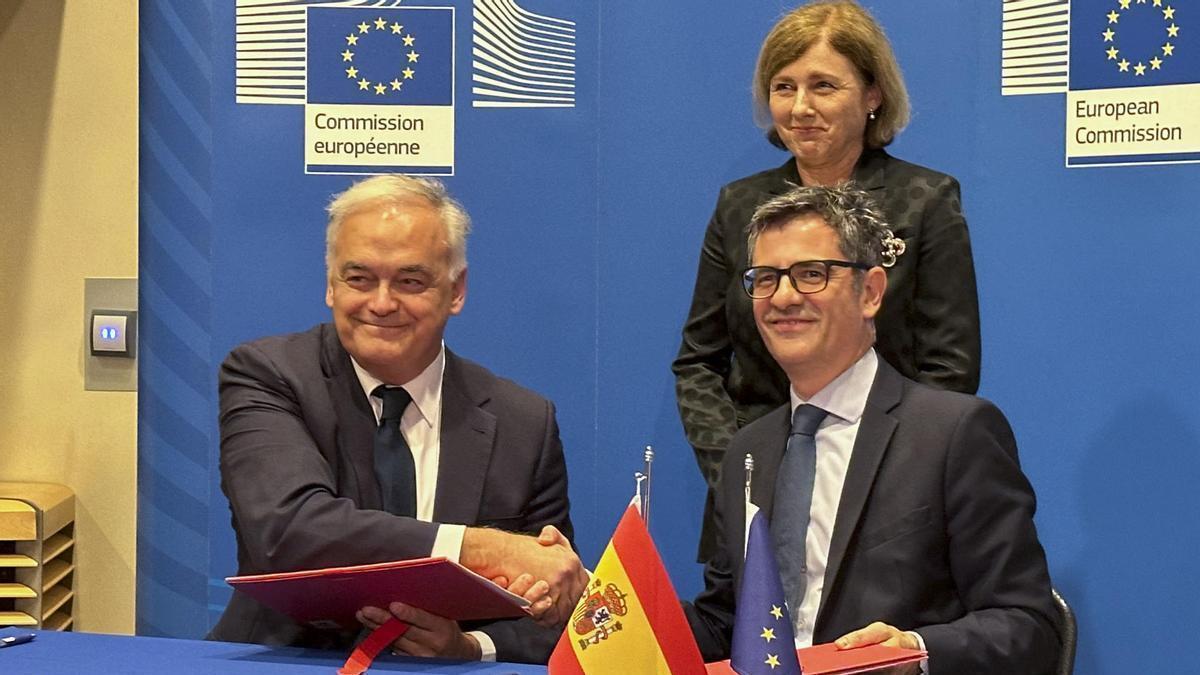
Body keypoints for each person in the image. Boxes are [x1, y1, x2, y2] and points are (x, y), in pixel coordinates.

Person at [209, 175, 587, 664]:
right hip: (288, 659)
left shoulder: (524, 421)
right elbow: (288, 533)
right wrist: (485, 549)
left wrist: (469, 646)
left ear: (455, 290)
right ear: (330, 284)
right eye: (359, 278)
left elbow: (554, 607)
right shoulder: (268, 375)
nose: (382, 303)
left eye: (410, 281)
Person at [684, 184, 1058, 673]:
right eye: (765, 279)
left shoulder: (953, 433)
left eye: (811, 274)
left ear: (871, 292)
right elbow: (724, 625)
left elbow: (1030, 627)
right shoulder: (748, 450)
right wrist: (598, 603)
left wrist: (916, 650)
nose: (784, 296)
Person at [673, 0, 981, 562]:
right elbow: (698, 362)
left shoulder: (925, 202)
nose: (801, 108)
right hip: (757, 506)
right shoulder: (739, 205)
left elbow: (950, 372)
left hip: (886, 508)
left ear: (872, 95)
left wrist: (883, 483)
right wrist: (744, 474)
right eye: (784, 87)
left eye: (823, 86)